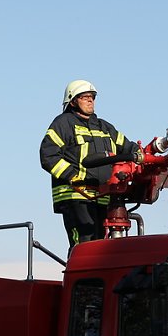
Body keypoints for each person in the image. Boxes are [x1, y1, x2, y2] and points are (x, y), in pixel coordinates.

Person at [40, 80, 141, 255]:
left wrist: (147, 154)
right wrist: (73, 176)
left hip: (102, 196)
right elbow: (48, 155)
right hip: (75, 194)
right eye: (85, 97)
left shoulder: (104, 127)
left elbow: (129, 148)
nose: (90, 101)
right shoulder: (63, 123)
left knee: (100, 244)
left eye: (92, 97)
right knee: (84, 243)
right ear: (72, 101)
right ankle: (81, 279)